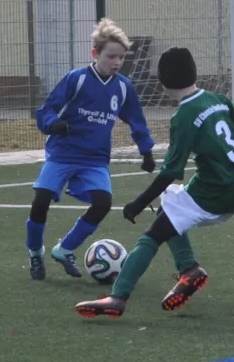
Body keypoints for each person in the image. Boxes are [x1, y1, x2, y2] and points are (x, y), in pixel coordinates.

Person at [74, 46, 234, 318]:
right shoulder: (216, 99)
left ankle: (117, 297)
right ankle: (189, 270)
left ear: (162, 80)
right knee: (170, 204)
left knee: (152, 235)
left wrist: (138, 203)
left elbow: (169, 172)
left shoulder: (184, 116)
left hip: (213, 192)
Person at [27, 18, 156, 280]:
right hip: (63, 153)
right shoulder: (77, 79)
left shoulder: (123, 87)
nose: (117, 62)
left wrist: (146, 150)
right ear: (95, 54)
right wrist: (54, 125)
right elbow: (45, 110)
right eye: (111, 56)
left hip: (95, 160)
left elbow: (136, 120)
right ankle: (35, 253)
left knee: (103, 203)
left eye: (121, 57)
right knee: (40, 201)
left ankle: (64, 250)